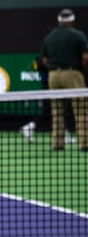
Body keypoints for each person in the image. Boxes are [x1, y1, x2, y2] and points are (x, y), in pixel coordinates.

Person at [39, 9, 88, 152]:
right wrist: (82, 71)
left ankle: (57, 144)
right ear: (72, 21)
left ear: (59, 21)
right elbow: (85, 58)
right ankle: (84, 144)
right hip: (73, 73)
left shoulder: (49, 37)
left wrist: (54, 69)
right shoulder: (79, 35)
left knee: (57, 111)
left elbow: (44, 60)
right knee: (81, 110)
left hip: (53, 76)